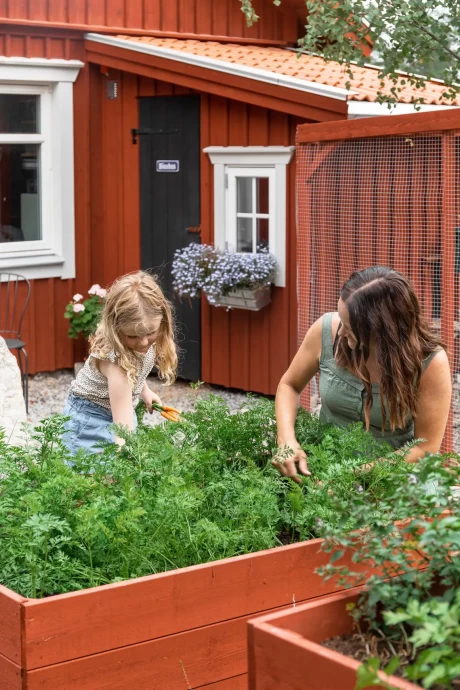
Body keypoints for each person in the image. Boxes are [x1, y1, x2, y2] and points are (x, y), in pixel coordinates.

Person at [273, 266, 452, 483]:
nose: (340, 332)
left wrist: (346, 477)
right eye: (341, 319)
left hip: (394, 479)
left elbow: (425, 448)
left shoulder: (429, 363)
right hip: (324, 465)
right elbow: (289, 386)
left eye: (349, 326)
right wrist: (286, 441)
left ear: (382, 330)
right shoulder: (326, 331)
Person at [63, 271, 177, 454]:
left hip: (115, 409)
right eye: (133, 336)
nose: (143, 342)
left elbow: (136, 371)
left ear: (162, 321)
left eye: (150, 333)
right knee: (92, 475)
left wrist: (145, 392)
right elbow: (123, 426)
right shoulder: (116, 365)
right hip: (90, 419)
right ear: (115, 328)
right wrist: (126, 453)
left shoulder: (141, 344)